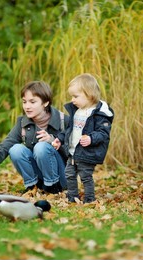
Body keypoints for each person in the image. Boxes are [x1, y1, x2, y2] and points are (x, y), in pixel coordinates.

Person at [0, 81, 68, 194]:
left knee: (41, 147)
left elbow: (75, 152)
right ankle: (33, 187)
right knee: (15, 149)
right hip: (40, 174)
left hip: (62, 175)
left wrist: (52, 141)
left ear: (45, 103)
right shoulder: (22, 123)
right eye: (24, 102)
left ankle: (53, 186)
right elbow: (7, 143)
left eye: (32, 102)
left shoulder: (63, 121)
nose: (27, 106)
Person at [53, 73, 114, 203]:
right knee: (69, 174)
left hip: (87, 152)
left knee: (85, 176)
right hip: (73, 152)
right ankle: (72, 197)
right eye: (71, 96)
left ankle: (89, 199)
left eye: (75, 96)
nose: (72, 100)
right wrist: (60, 139)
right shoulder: (77, 111)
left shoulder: (99, 114)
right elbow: (70, 130)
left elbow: (103, 132)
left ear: (89, 94)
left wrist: (91, 139)